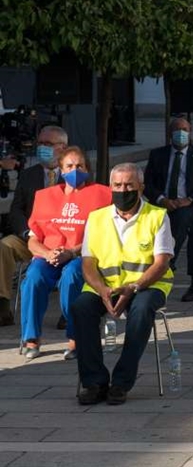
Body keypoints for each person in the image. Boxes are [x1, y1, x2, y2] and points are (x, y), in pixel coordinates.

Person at [73, 163, 174, 406]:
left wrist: (134, 287)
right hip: (104, 286)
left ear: (141, 187)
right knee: (80, 308)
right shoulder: (96, 218)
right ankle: (94, 382)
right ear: (110, 187)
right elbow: (88, 263)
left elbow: (161, 263)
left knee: (141, 312)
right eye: (117, 185)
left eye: (129, 184)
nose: (123, 189)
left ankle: (121, 382)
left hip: (147, 286)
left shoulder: (157, 216)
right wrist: (102, 290)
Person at [19, 146, 111, 359]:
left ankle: (75, 338)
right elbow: (33, 240)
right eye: (69, 166)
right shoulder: (45, 197)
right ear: (61, 170)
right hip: (48, 255)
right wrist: (47, 253)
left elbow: (100, 237)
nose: (75, 169)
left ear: (87, 168)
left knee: (71, 276)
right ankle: (31, 338)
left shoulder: (102, 195)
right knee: (33, 277)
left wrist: (71, 252)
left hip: (81, 255)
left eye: (80, 165)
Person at [0, 125, 68, 325]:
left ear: (62, 148)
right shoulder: (29, 175)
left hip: (64, 241)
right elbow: (16, 210)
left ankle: (69, 310)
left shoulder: (73, 175)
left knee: (79, 259)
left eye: (48, 144)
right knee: (4, 246)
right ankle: (3, 306)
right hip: (31, 238)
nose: (42, 148)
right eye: (40, 143)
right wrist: (27, 233)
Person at [143, 117, 193, 302]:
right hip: (162, 203)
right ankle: (146, 268)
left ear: (190, 132)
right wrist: (162, 199)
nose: (181, 133)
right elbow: (147, 184)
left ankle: (167, 262)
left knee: (181, 219)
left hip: (190, 206)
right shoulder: (158, 154)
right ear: (169, 133)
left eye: (185, 129)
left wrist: (189, 199)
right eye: (176, 129)